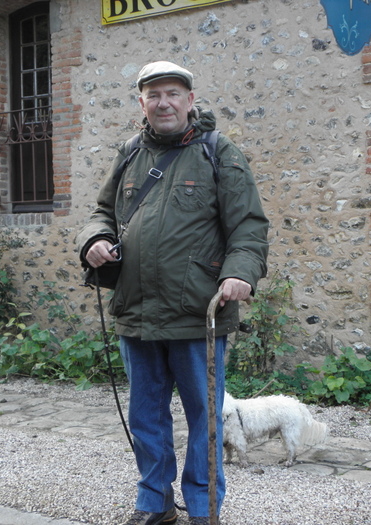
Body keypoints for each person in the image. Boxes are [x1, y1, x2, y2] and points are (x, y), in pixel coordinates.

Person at [76, 61, 269, 525]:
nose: (163, 102)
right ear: (141, 102)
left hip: (197, 312)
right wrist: (94, 240)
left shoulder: (218, 152)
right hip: (136, 310)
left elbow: (248, 225)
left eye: (172, 94)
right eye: (153, 94)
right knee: (145, 417)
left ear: (189, 99)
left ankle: (203, 507)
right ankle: (154, 501)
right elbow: (103, 211)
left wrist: (240, 272)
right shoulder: (128, 154)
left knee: (204, 418)